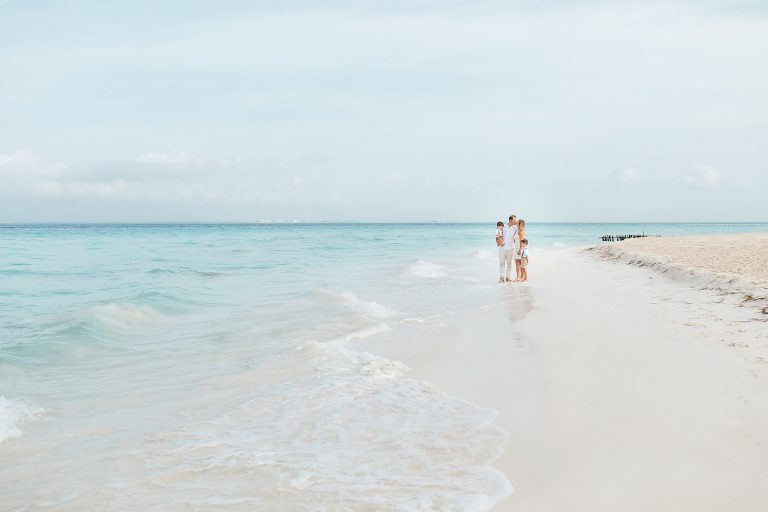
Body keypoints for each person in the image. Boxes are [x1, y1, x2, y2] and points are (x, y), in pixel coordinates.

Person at [502, 215, 518, 282]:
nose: (515, 221)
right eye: (514, 220)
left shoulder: (515, 228)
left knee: (509, 264)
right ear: (510, 220)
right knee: (502, 263)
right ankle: (502, 279)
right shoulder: (504, 227)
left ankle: (508, 278)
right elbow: (498, 234)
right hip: (503, 247)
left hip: (511, 248)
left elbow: (520, 231)